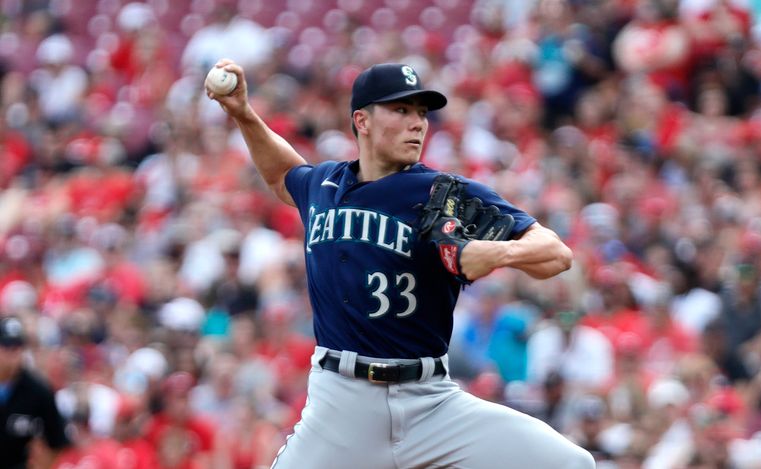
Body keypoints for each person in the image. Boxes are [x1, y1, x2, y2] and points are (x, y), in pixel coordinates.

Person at [206, 59, 595, 469]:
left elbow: (556, 253)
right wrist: (245, 115)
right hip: (341, 407)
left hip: (432, 404)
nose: (418, 124)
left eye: (422, 113)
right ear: (362, 120)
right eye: (401, 110)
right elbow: (282, 173)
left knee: (572, 464)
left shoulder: (440, 192)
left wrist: (498, 252)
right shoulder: (324, 185)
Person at [0, 316, 71, 468]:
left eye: (18, 347)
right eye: (6, 346)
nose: (13, 353)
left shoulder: (38, 391)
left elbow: (56, 440)